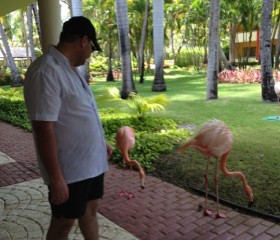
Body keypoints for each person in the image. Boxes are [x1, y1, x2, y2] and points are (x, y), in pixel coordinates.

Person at [24, 16, 112, 240]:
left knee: (90, 212)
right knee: (63, 223)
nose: (91, 53)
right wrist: (56, 178)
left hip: (90, 164)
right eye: (92, 47)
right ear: (84, 41)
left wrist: (100, 143)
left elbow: (78, 116)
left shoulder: (70, 70)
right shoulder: (46, 71)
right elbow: (44, 128)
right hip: (69, 170)